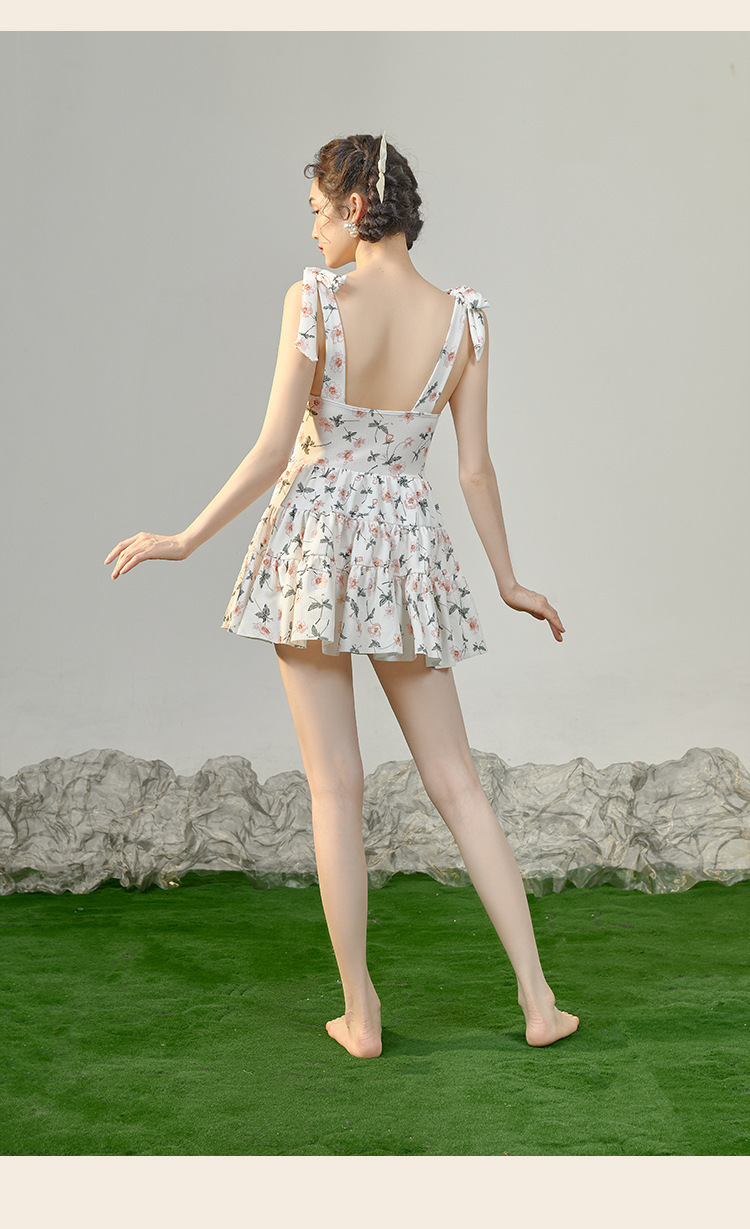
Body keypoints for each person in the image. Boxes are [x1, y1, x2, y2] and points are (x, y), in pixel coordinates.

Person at [104, 131, 579, 1059]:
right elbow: (474, 471)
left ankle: (361, 1014)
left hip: (315, 545)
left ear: (358, 207)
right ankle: (538, 999)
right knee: (459, 783)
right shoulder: (465, 321)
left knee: (336, 788)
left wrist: (186, 538)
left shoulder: (315, 299)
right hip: (405, 547)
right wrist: (509, 580)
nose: (315, 232)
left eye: (320, 212)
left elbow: (273, 448)